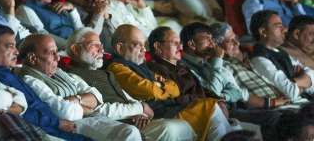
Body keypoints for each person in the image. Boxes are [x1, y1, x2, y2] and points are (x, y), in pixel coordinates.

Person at [107, 24, 235, 141]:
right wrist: (160, 86)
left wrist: (160, 86)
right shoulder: (117, 67)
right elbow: (149, 90)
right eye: (137, 44)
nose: (144, 50)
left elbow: (175, 88)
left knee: (214, 108)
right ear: (120, 47)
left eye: (143, 44)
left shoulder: (143, 66)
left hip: (171, 108)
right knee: (210, 106)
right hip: (160, 112)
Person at [66, 27, 197, 141]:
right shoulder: (73, 76)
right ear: (75, 49)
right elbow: (96, 109)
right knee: (170, 128)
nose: (101, 49)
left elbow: (126, 97)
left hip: (135, 119)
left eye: (101, 45)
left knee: (183, 127)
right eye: (95, 45)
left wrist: (139, 111)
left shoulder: (104, 72)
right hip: (114, 126)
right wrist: (138, 109)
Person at [18, 34, 144, 141]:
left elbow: (97, 96)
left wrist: (76, 100)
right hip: (73, 125)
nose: (58, 57)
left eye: (57, 52)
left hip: (92, 118)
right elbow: (65, 112)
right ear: (33, 58)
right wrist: (88, 107)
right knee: (129, 133)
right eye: (52, 53)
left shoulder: (60, 72)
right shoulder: (29, 80)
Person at [0, 24, 92, 141]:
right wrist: (56, 122)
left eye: (15, 46)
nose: (17, 52)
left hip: (53, 126)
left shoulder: (8, 73)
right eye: (10, 46)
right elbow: (21, 111)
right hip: (43, 132)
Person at [210, 22, 288, 104]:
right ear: (217, 46)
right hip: (268, 109)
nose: (237, 43)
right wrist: (272, 103)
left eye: (236, 37)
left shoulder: (252, 52)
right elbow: (239, 96)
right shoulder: (224, 68)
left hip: (285, 101)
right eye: (230, 41)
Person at [249, 10, 314, 103]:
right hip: (295, 110)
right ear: (263, 31)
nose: (285, 29)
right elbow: (291, 93)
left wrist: (293, 81)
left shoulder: (281, 52)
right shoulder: (259, 59)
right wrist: (303, 81)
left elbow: (312, 75)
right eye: (278, 26)